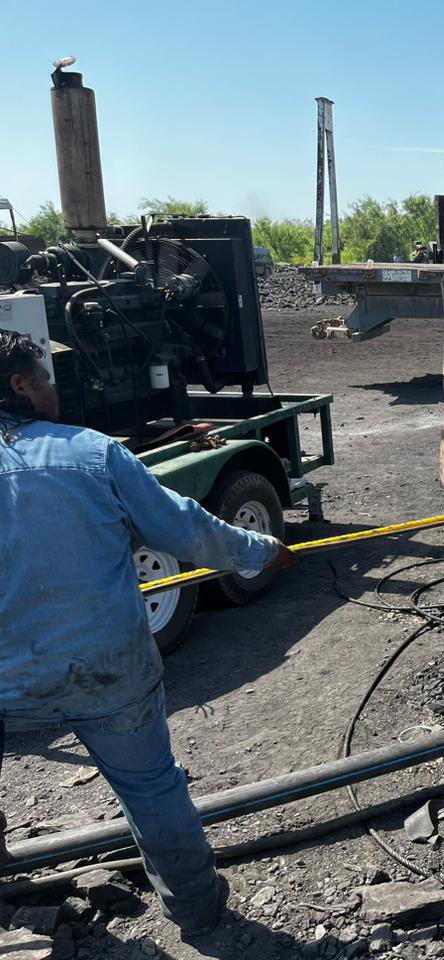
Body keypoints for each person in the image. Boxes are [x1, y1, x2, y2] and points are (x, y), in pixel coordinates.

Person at [0, 331, 298, 935]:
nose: (56, 391)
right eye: (48, 379)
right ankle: (195, 909)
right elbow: (183, 528)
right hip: (104, 666)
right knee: (152, 788)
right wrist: (261, 551)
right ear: (21, 386)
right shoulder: (89, 453)